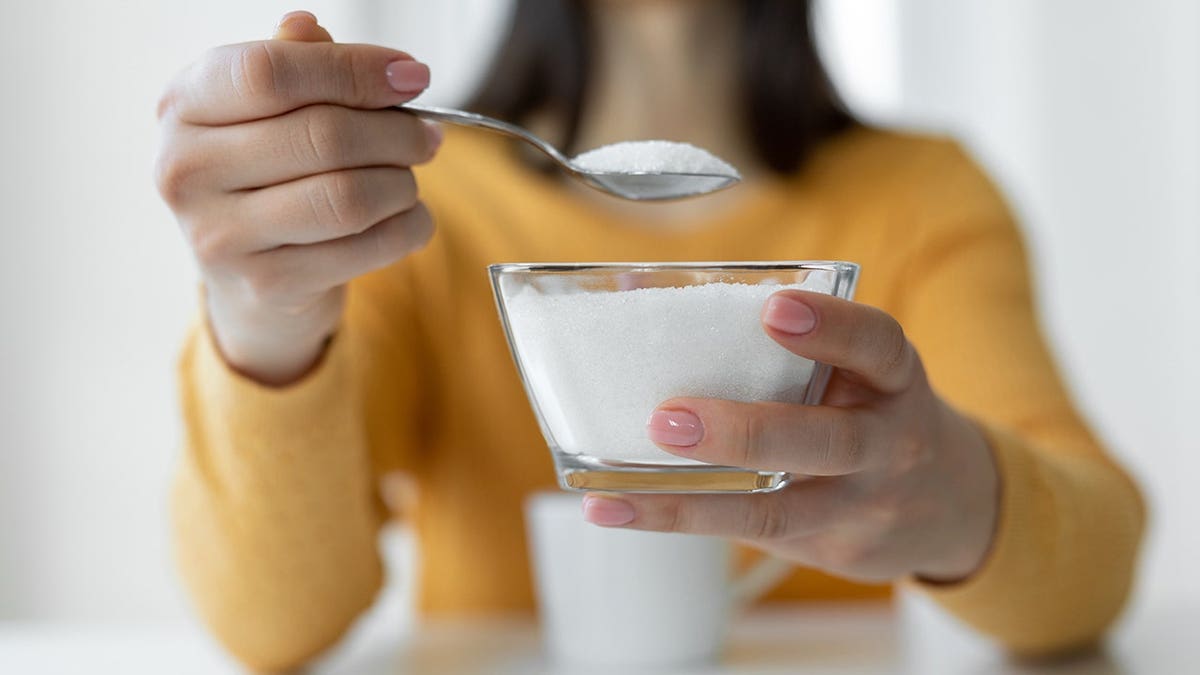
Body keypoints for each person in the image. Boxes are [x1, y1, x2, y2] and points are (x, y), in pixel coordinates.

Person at [155, 2, 1145, 671]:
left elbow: (1095, 571)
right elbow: (272, 627)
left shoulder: (923, 198)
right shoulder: (407, 209)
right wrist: (260, 312)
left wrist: (964, 496)